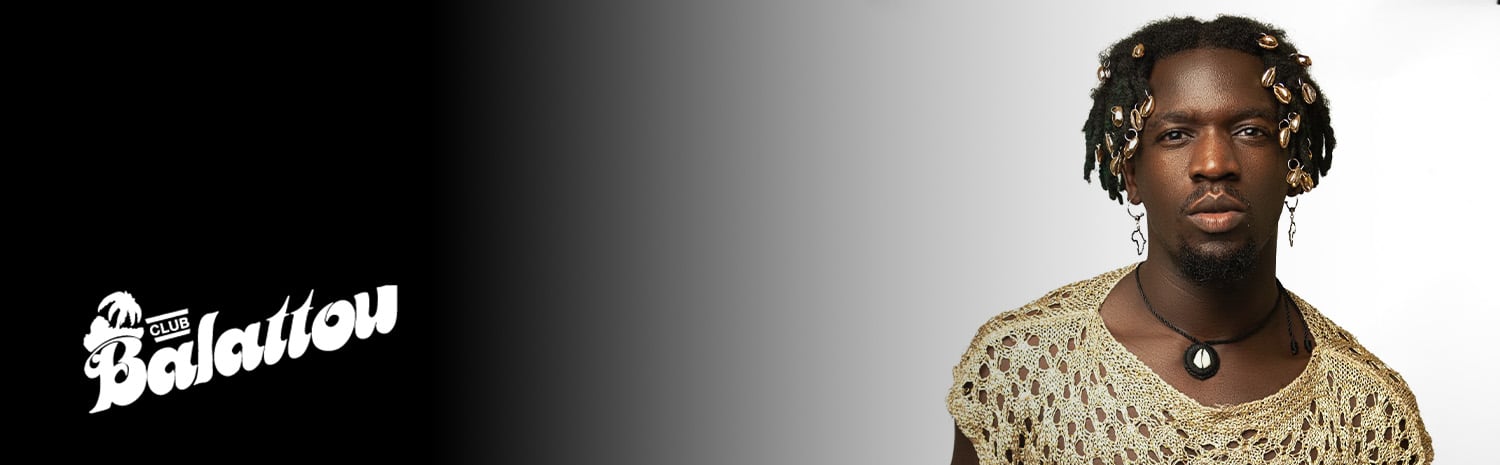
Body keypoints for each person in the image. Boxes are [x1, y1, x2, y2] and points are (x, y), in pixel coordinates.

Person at [947, 15, 1432, 464]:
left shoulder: (1371, 415)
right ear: (1131, 173)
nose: (1214, 163)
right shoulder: (1020, 368)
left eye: (1250, 131)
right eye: (1176, 135)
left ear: (1294, 166)